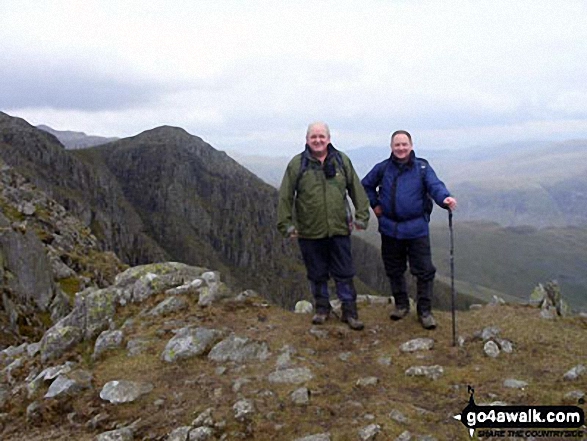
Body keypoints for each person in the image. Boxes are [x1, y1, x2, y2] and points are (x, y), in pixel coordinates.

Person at [277, 122, 370, 331]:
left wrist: (362, 216)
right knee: (316, 272)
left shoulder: (341, 161)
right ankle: (321, 309)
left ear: (328, 139)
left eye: (321, 136)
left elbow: (357, 189)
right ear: (307, 139)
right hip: (310, 231)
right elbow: (285, 196)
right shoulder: (297, 164)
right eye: (313, 137)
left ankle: (350, 312)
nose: (317, 140)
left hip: (339, 229)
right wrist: (286, 225)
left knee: (344, 273)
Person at [361, 130, 457, 329]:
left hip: (416, 229)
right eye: (397, 145)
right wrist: (375, 205)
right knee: (394, 269)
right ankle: (401, 305)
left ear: (411, 146)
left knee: (424, 271)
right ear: (391, 147)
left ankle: (424, 311)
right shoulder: (383, 168)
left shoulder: (422, 167)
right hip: (390, 229)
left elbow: (435, 186)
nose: (401, 148)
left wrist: (444, 199)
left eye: (404, 144)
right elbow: (366, 185)